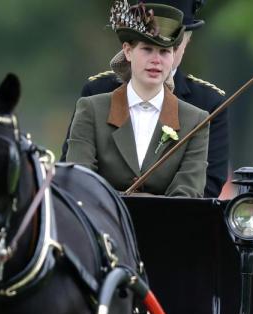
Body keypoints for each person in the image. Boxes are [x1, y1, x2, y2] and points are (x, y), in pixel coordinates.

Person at [63, 0, 227, 199]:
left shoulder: (197, 118)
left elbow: (191, 196)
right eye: (147, 49)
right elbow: (78, 180)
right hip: (102, 225)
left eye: (165, 51)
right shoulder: (92, 105)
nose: (156, 60)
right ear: (128, 50)